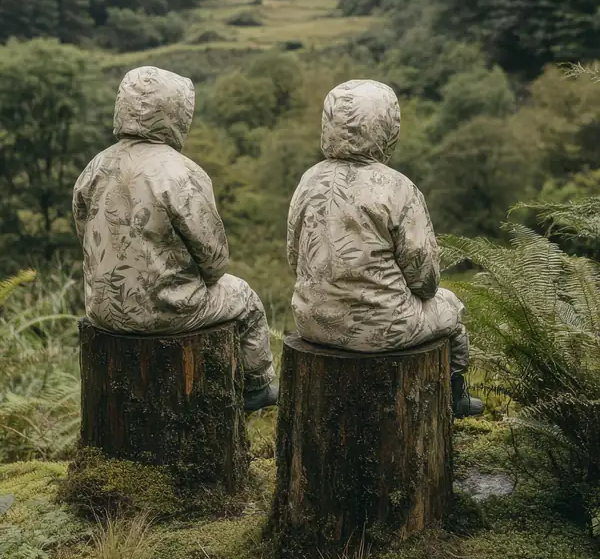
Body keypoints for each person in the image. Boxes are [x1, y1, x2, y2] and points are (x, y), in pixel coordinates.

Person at [72, 64, 278, 412]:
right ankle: (257, 387)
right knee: (246, 297)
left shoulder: (95, 166)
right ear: (177, 112)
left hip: (102, 311)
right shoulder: (182, 172)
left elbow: (84, 234)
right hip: (166, 310)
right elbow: (214, 262)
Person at [287, 78, 483, 418]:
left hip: (312, 321)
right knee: (450, 306)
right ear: (386, 126)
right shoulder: (398, 188)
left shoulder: (309, 180)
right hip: (384, 329)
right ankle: (456, 395)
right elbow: (424, 278)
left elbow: (295, 256)